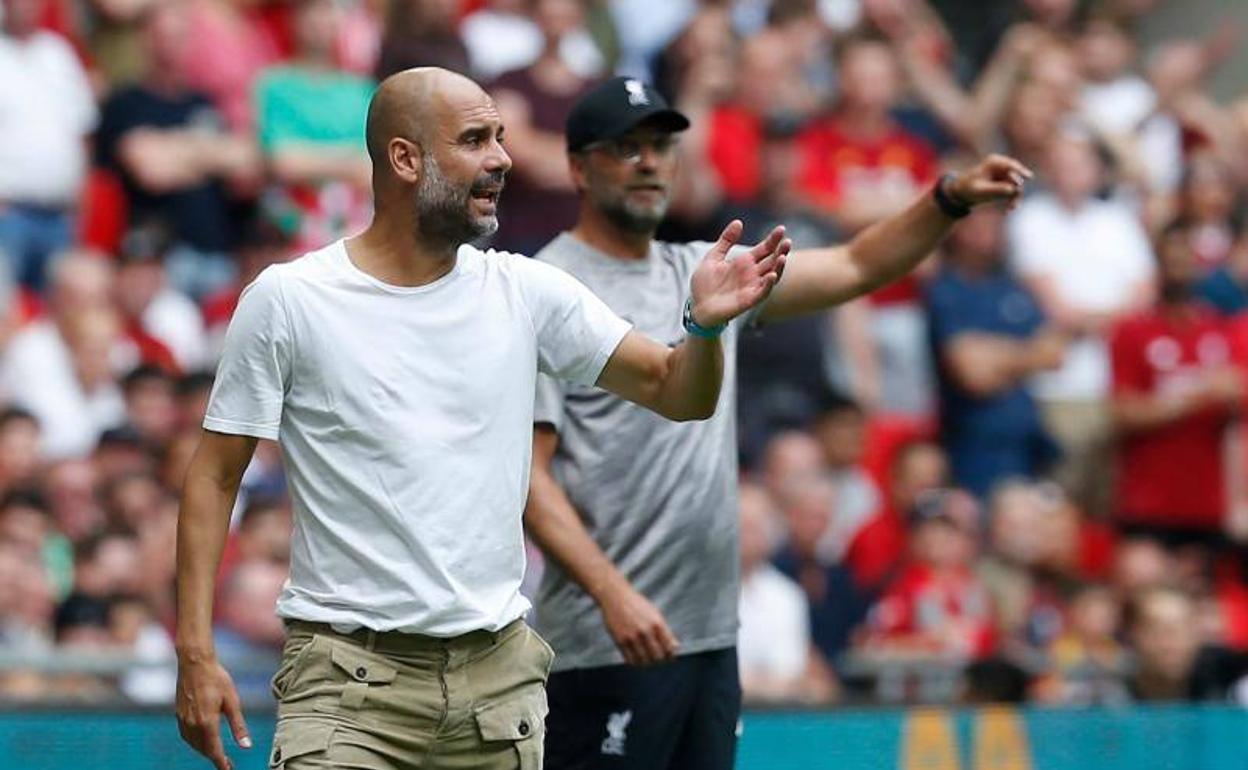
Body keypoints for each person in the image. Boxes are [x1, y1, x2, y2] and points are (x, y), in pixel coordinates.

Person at [173, 66, 789, 770]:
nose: (501, 156)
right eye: (474, 139)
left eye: (499, 136)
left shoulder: (523, 290)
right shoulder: (289, 299)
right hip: (346, 686)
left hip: (498, 690)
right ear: (405, 159)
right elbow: (213, 479)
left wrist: (703, 329)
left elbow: (676, 391)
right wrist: (195, 654)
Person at [524, 75, 1030, 770]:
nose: (650, 163)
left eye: (662, 147)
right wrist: (614, 596)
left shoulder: (702, 271)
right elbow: (529, 478)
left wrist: (947, 199)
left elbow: (856, 264)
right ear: (579, 167)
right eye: (625, 148)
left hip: (707, 635)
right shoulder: (547, 290)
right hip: (607, 641)